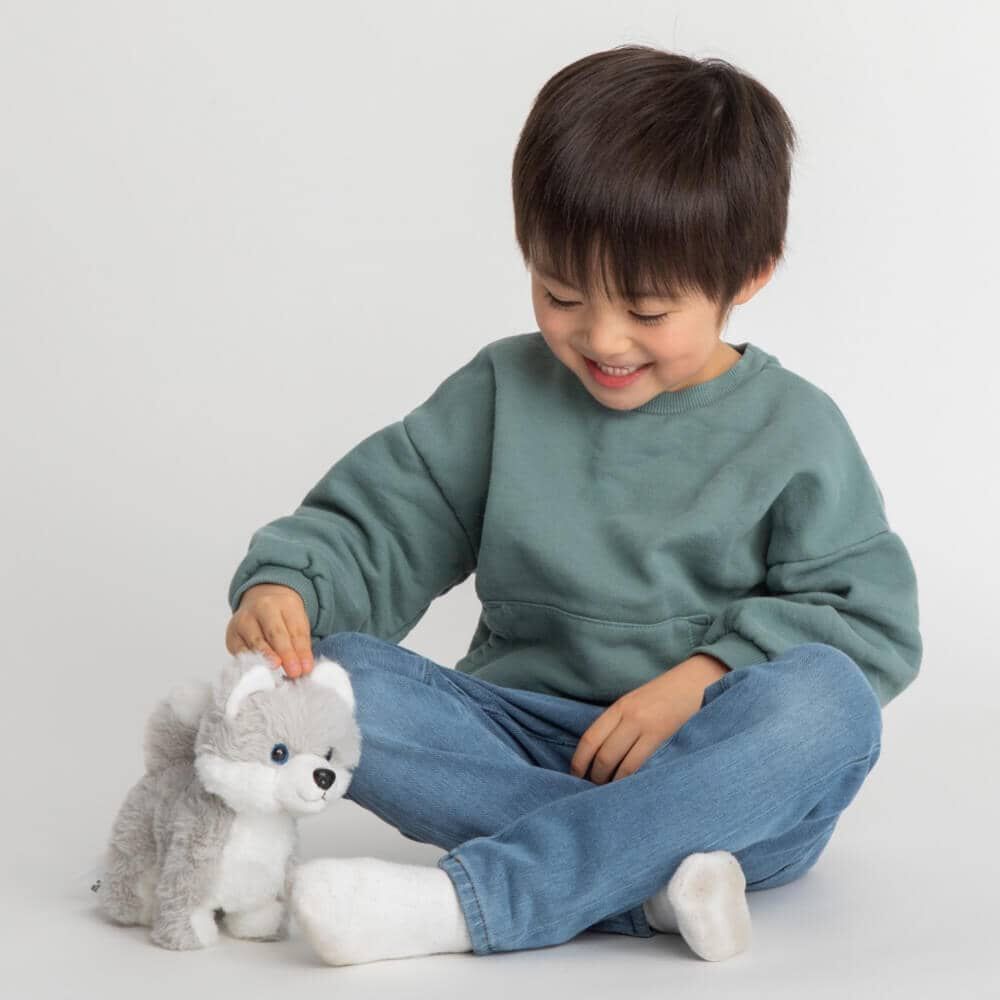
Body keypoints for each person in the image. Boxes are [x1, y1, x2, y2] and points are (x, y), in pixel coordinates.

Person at [224, 45, 921, 965]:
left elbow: (867, 623)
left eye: (647, 311)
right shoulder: (503, 393)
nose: (602, 338)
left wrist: (699, 682)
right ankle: (649, 879)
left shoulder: (796, 429)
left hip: (714, 769)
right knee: (331, 684)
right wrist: (293, 586)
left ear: (749, 275)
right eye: (560, 294)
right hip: (516, 741)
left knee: (829, 703)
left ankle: (482, 899)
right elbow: (389, 517)